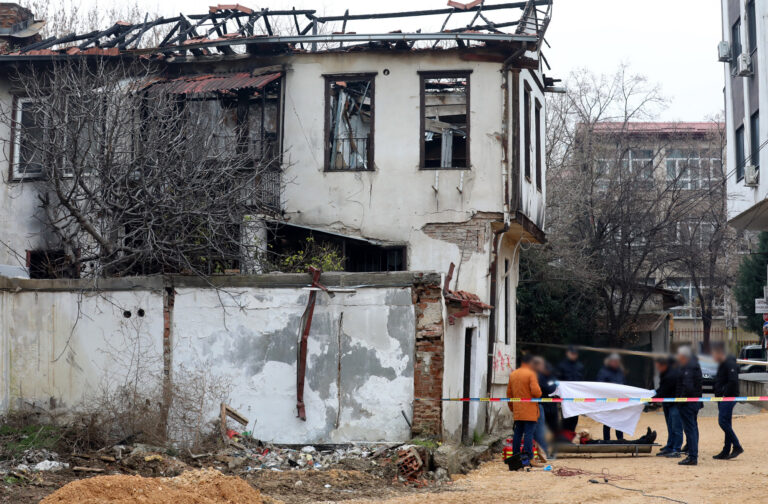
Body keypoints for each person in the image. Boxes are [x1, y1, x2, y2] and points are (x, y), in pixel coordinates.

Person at [507, 353, 543, 464]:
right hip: (530, 411)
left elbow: (509, 394)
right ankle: (529, 458)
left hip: (518, 411)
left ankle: (515, 458)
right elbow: (536, 393)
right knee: (528, 434)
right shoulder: (531, 374)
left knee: (517, 434)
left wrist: (512, 408)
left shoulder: (513, 374)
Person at [711, 342, 744, 460]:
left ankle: (737, 445)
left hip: (728, 397)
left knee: (722, 422)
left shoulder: (729, 362)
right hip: (723, 397)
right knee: (726, 423)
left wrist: (724, 394)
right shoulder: (723, 363)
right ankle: (726, 450)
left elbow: (733, 381)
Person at [675, 345, 702, 466]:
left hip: (688, 403)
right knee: (693, 428)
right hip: (693, 402)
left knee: (690, 429)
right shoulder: (693, 364)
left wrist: (681, 399)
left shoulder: (688, 366)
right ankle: (692, 453)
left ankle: (692, 457)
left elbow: (688, 386)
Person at [654, 356, 683, 458]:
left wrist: (652, 398)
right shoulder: (665, 373)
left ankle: (676, 449)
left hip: (675, 403)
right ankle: (670, 446)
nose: (658, 369)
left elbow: (663, 390)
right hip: (668, 403)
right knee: (671, 427)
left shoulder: (671, 375)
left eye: (659, 367)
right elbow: (662, 388)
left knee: (676, 427)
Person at [531, 356, 558, 458]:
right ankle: (543, 452)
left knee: (554, 430)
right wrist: (555, 386)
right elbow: (548, 388)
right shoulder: (539, 377)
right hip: (542, 406)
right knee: (541, 431)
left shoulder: (551, 377)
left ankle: (553, 451)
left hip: (552, 407)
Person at [596, 353, 625, 441]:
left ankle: (620, 440)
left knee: (619, 422)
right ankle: (606, 441)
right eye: (614, 361)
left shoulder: (620, 372)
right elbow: (600, 385)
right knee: (607, 422)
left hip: (618, 402)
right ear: (610, 362)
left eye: (617, 361)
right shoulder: (603, 372)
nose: (616, 363)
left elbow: (623, 385)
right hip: (608, 402)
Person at [557, 346, 584, 434]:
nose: (573, 355)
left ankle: (571, 436)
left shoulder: (580, 366)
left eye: (575, 354)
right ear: (567, 354)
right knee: (566, 418)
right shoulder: (561, 366)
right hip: (565, 397)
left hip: (576, 397)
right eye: (571, 353)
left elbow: (583, 381)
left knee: (575, 419)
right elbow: (558, 381)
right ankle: (564, 437)